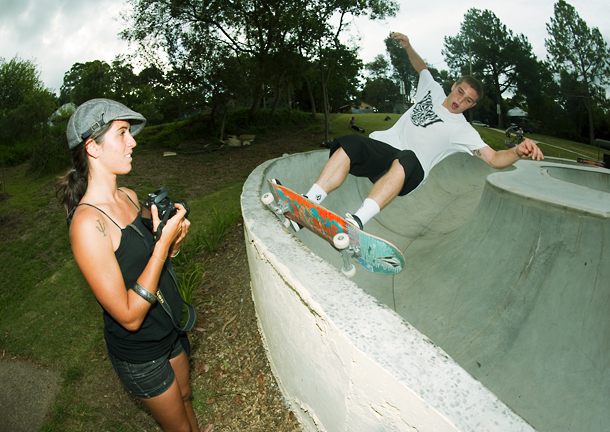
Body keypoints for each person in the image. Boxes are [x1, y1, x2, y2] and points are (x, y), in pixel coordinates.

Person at [294, 32, 544, 230]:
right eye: (460, 92)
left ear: (472, 105)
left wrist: (517, 151)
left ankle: (357, 221)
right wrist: (408, 46)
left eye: (468, 100)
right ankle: (307, 204)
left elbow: (493, 158)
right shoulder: (432, 89)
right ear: (454, 86)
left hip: (411, 170)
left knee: (408, 156)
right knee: (352, 142)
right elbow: (421, 67)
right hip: (385, 149)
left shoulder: (463, 130)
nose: (460, 100)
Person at [56, 99, 199, 431]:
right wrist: (162, 247)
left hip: (169, 328)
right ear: (93, 147)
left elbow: (155, 264)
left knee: (186, 396)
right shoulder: (88, 224)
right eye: (122, 133)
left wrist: (173, 240)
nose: (133, 141)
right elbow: (129, 317)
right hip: (141, 352)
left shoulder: (130, 196)